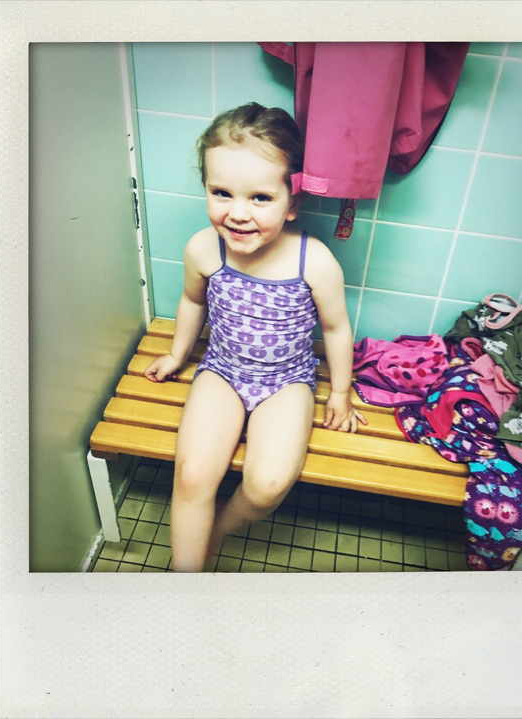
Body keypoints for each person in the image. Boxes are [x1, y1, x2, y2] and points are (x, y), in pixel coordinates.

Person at [144, 102, 367, 572]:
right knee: (192, 474)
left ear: (293, 203)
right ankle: (185, 583)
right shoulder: (203, 249)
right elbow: (193, 302)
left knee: (267, 486)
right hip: (222, 370)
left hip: (287, 381)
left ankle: (216, 532)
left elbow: (335, 327)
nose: (238, 214)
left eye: (261, 198)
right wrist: (178, 354)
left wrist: (340, 393)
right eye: (221, 193)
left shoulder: (314, 261)